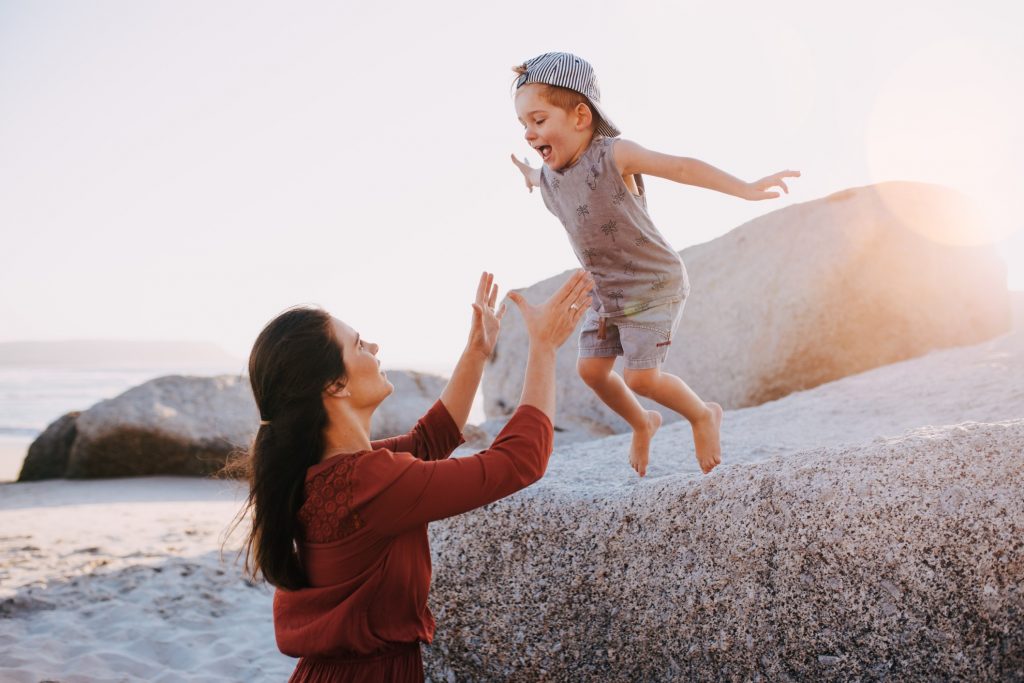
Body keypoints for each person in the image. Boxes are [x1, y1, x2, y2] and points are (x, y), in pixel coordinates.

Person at [231, 270, 592, 682]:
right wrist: (543, 348)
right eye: (358, 344)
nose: (374, 346)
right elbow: (519, 461)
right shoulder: (367, 479)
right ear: (335, 385)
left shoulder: (326, 473)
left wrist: (476, 351)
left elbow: (427, 442)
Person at [509, 51, 800, 477]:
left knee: (641, 378)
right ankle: (643, 422)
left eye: (538, 121)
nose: (530, 135)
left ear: (580, 117)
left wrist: (743, 188)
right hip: (608, 292)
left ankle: (702, 415)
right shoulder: (550, 177)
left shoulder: (615, 155)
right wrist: (527, 174)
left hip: (652, 284)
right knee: (591, 370)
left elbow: (680, 167)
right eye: (523, 126)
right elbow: (538, 178)